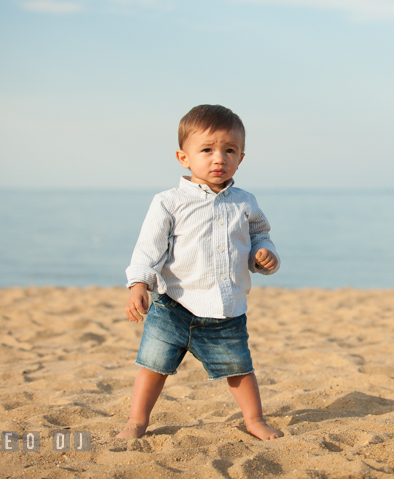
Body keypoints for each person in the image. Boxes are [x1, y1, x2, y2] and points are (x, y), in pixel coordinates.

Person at [117, 104, 283, 440]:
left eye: (229, 150)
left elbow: (259, 235)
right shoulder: (169, 201)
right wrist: (138, 285)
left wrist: (264, 255)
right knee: (153, 366)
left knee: (239, 368)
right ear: (184, 157)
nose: (218, 158)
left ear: (241, 158)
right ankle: (137, 421)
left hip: (225, 309)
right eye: (207, 150)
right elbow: (149, 248)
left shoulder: (245, 201)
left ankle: (254, 420)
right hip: (173, 304)